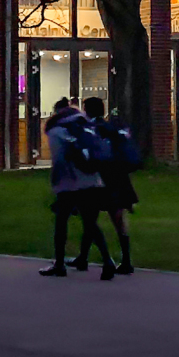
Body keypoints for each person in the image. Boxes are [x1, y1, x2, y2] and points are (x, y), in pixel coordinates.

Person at [38, 97, 115, 280]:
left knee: (61, 222)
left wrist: (55, 185)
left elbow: (59, 160)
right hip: (92, 180)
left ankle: (59, 264)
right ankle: (108, 261)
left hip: (69, 182)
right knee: (90, 223)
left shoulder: (56, 131)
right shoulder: (86, 126)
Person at [75, 96, 140, 276]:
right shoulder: (112, 128)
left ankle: (86, 258)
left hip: (99, 179)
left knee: (90, 219)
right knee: (118, 221)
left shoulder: (90, 129)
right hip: (118, 179)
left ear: (88, 110)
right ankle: (126, 260)